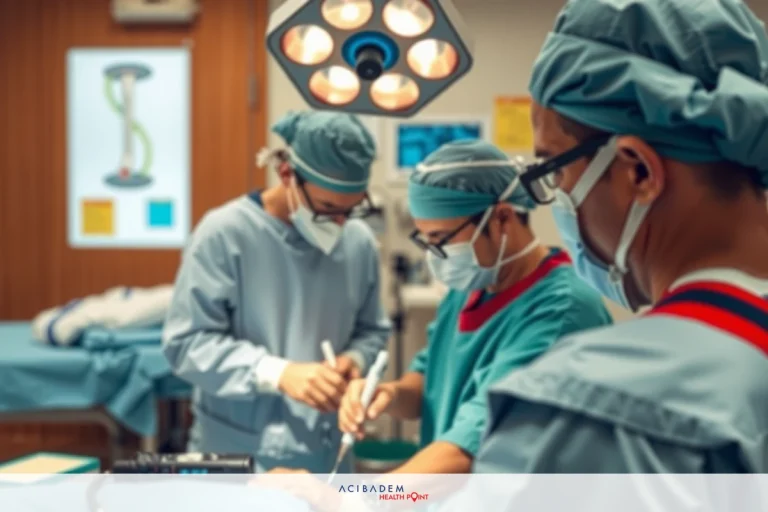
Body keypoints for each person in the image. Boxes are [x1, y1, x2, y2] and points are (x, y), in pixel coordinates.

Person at [474, 0, 768, 473]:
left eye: (555, 170)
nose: (560, 199)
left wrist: (368, 496)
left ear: (637, 171)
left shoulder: (592, 416)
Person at [271, 139, 613, 477]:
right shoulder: (472, 285)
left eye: (441, 239)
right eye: (426, 239)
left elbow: (466, 455)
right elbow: (428, 383)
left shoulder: (561, 310)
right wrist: (387, 394)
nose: (435, 254)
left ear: (502, 219)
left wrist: (353, 498)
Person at [162, 110, 391, 473]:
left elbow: (372, 330)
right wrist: (279, 373)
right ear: (287, 174)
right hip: (236, 456)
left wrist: (353, 361)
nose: (340, 224)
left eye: (352, 209)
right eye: (329, 208)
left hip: (326, 454)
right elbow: (186, 344)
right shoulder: (225, 233)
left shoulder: (358, 242)